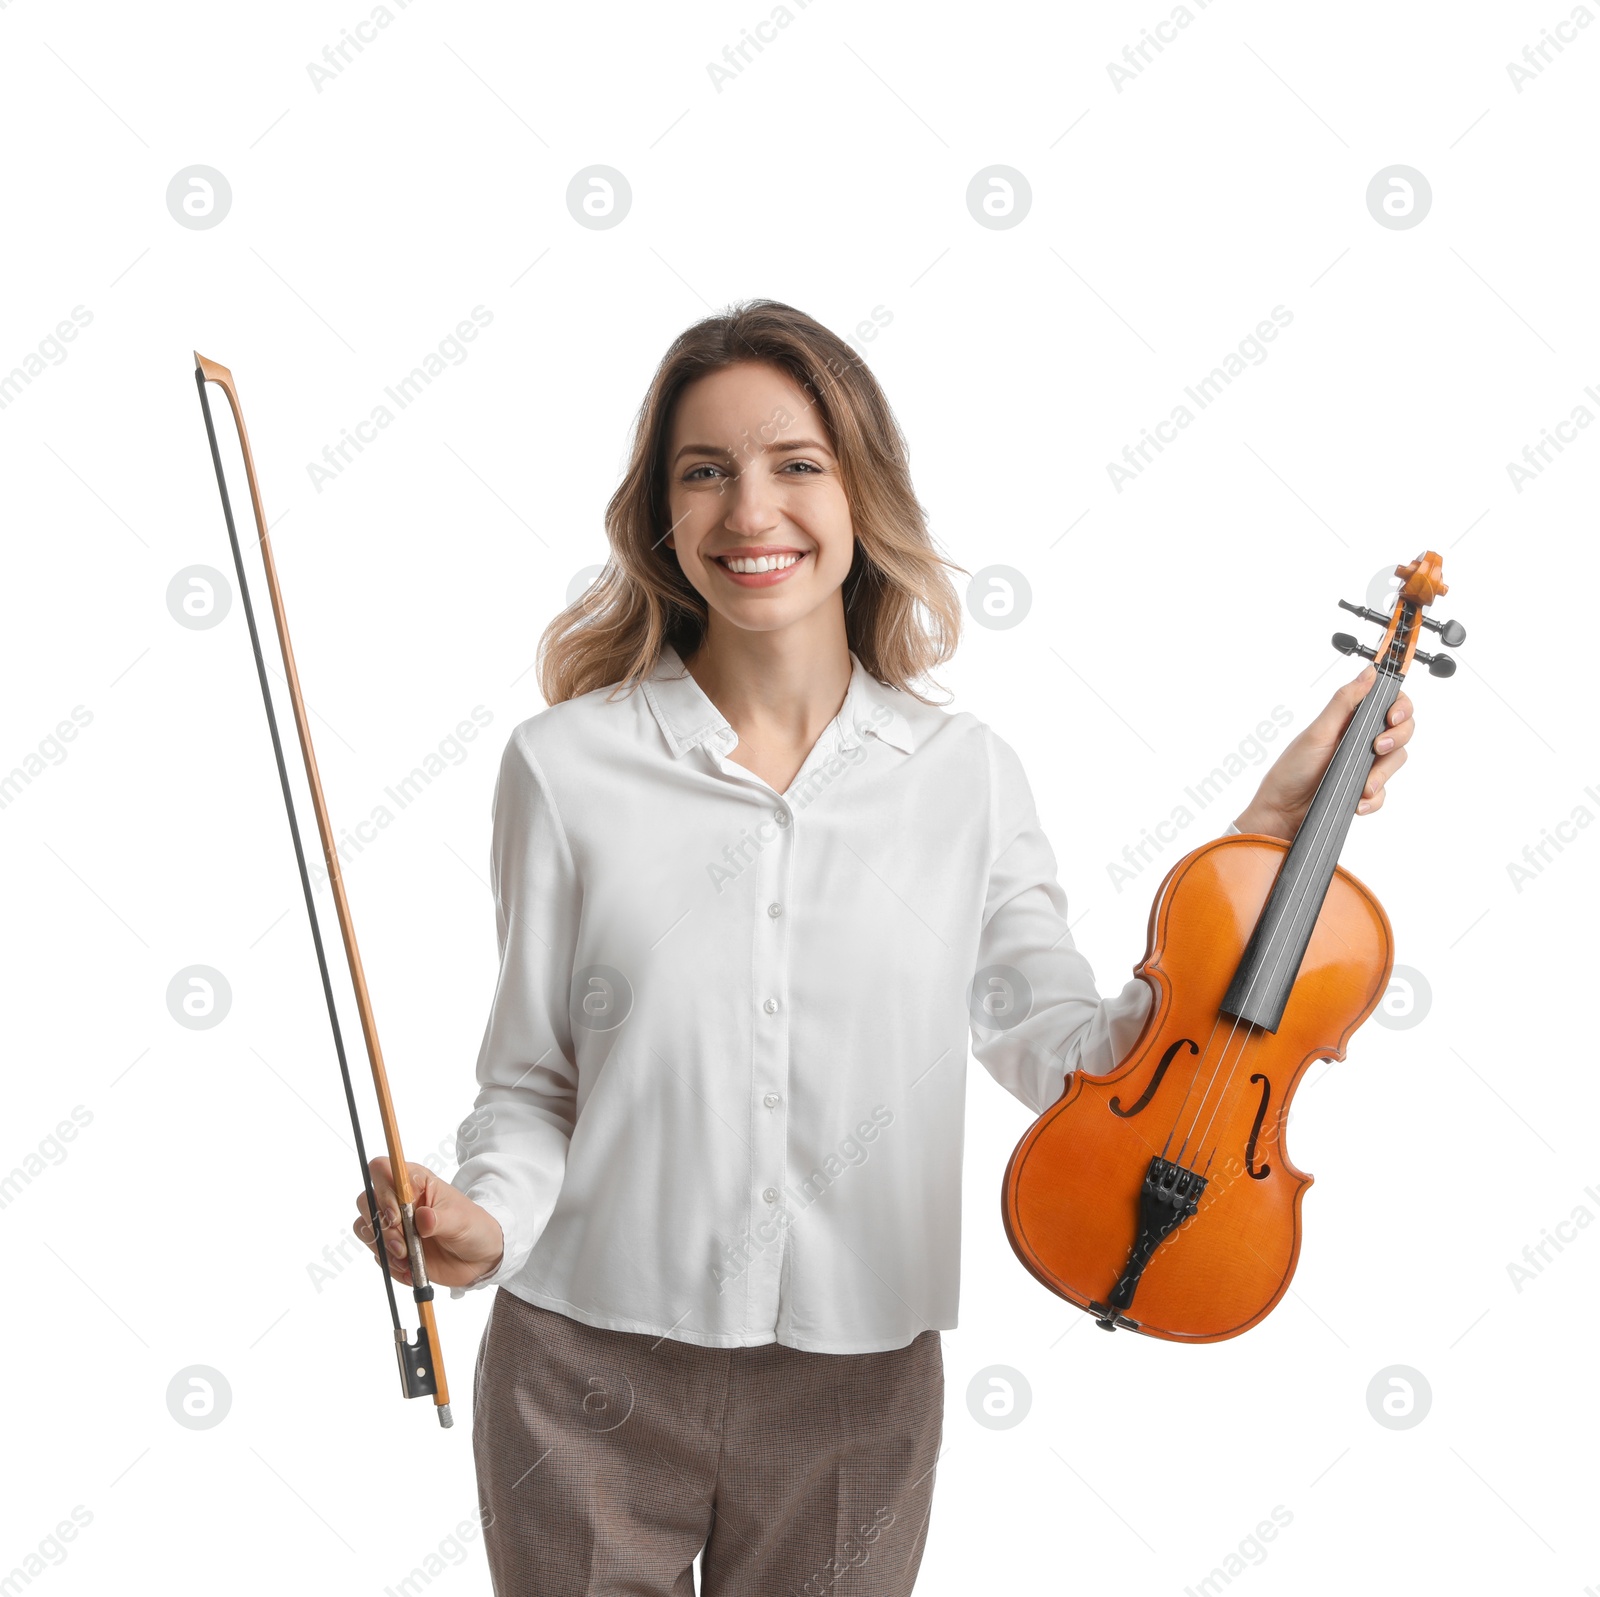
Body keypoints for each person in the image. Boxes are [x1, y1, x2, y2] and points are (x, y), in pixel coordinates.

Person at [353, 299, 1415, 1595]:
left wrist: (1261, 841)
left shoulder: (964, 775)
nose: (753, 512)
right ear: (660, 517)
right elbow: (534, 1084)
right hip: (583, 1364)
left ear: (862, 495)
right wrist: (486, 1218)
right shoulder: (566, 768)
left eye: (797, 463)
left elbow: (1072, 1053)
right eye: (707, 471)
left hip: (856, 1382)